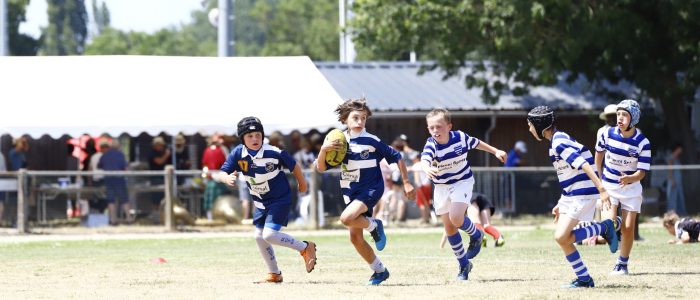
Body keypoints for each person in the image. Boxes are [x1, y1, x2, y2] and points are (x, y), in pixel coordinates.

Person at [316, 98, 415, 285]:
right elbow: (320, 168)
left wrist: (407, 182)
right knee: (355, 238)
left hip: (371, 188)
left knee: (346, 219)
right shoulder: (337, 140)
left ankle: (374, 226)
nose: (360, 121)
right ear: (345, 119)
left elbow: (397, 157)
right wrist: (323, 150)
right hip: (351, 193)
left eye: (363, 118)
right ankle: (380, 271)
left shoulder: (371, 140)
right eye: (355, 117)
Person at [527, 105, 618, 288]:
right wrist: (561, 202)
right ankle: (584, 278)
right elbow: (568, 175)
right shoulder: (555, 142)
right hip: (572, 194)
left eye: (530, 125)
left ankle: (605, 227)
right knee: (563, 239)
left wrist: (601, 187)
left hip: (582, 193)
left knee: (561, 237)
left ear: (540, 125)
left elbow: (582, 163)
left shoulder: (558, 142)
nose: (529, 129)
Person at [221, 116, 317, 284]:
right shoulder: (238, 153)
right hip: (260, 203)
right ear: (242, 139)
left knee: (269, 234)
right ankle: (274, 274)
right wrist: (227, 178)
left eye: (258, 135)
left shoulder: (273, 152)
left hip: (279, 199)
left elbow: (294, 165)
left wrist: (303, 184)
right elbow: (223, 171)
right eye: (250, 136)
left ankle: (304, 247)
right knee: (259, 237)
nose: (255, 139)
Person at [420, 108, 506, 281]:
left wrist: (496, 151)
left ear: (449, 126)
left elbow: (477, 143)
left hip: (462, 182)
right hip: (442, 187)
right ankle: (464, 264)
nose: (435, 131)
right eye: (431, 128)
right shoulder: (431, 145)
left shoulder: (460, 137)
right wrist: (427, 167)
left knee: (456, 218)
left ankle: (476, 234)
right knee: (450, 227)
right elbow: (425, 159)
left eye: (439, 126)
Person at [595, 99, 651, 276]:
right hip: (610, 185)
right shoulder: (606, 134)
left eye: (624, 115)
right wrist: (600, 179)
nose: (619, 118)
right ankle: (615, 222)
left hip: (631, 188)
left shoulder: (643, 142)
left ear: (633, 119)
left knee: (628, 229)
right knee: (608, 224)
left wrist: (630, 178)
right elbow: (598, 156)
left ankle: (622, 264)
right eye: (618, 114)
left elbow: (642, 173)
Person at [98, 140, 132, 225]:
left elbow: (99, 165)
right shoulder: (120, 155)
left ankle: (113, 220)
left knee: (111, 200)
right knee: (124, 200)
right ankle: (129, 219)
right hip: (119, 180)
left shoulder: (105, 155)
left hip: (108, 180)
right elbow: (125, 167)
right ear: (119, 146)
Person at [201, 135, 228, 220]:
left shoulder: (207, 150)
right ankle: (217, 218)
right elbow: (224, 164)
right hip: (219, 178)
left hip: (211, 179)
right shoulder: (220, 150)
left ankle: (210, 218)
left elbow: (204, 164)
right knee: (218, 200)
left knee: (210, 201)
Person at [665, 143, 686, 215]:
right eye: (680, 148)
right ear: (677, 149)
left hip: (678, 181)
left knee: (680, 198)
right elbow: (670, 171)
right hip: (673, 181)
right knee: (672, 199)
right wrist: (673, 181)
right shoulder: (671, 158)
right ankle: (671, 214)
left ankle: (681, 213)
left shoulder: (677, 158)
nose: (681, 150)